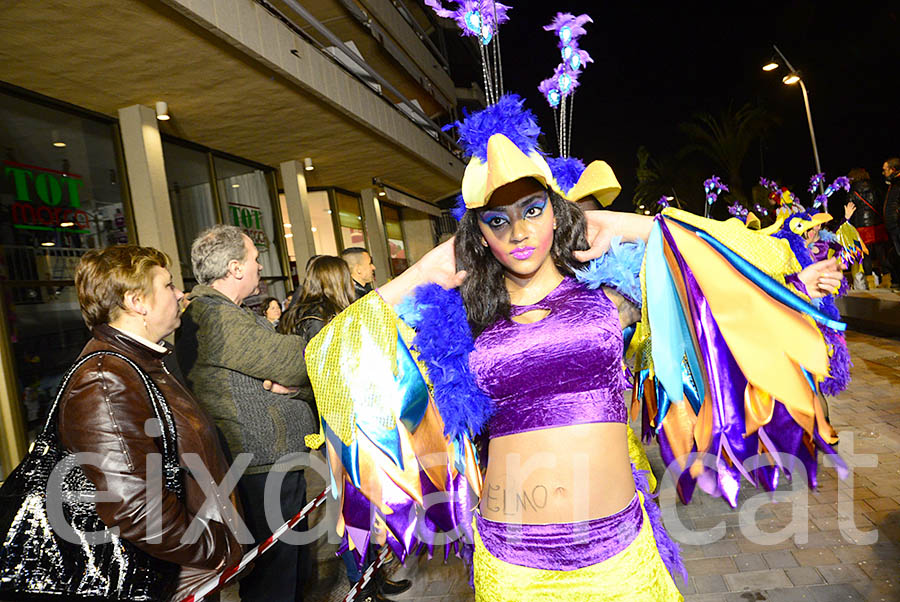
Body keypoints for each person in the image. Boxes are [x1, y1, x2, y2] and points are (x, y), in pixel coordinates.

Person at [302, 98, 845, 600]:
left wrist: (629, 225)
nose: (518, 230)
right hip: (514, 568)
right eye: (497, 220)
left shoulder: (613, 296)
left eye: (533, 209)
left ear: (556, 212)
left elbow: (728, 262)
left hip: (621, 557)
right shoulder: (460, 321)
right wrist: (421, 272)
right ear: (479, 235)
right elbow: (328, 356)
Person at [62, 245, 243, 600]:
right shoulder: (105, 378)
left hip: (185, 564)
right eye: (168, 285)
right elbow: (138, 511)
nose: (180, 294)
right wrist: (217, 547)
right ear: (137, 302)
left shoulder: (142, 362)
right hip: (169, 576)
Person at [175, 225, 316, 602]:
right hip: (261, 466)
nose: (259, 266)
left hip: (270, 461)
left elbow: (290, 378)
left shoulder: (226, 313)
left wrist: (296, 390)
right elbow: (295, 360)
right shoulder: (217, 318)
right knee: (276, 578)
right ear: (235, 268)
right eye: (255, 258)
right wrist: (297, 381)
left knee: (292, 569)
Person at [279, 256, 411, 602]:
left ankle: (374, 575)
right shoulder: (316, 320)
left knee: (368, 502)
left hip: (354, 418)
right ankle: (360, 582)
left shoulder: (322, 314)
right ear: (337, 279)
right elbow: (325, 373)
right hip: (341, 424)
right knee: (351, 507)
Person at [846, 168, 889, 289]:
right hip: (877, 223)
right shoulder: (875, 187)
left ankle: (870, 282)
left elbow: (850, 209)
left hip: (862, 226)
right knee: (881, 252)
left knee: (867, 255)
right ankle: (888, 278)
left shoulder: (852, 191)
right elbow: (882, 203)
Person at [883, 157, 900, 288]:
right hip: (893, 225)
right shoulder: (893, 183)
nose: (884, 173)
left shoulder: (898, 183)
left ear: (893, 169)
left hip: (897, 224)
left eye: (885, 170)